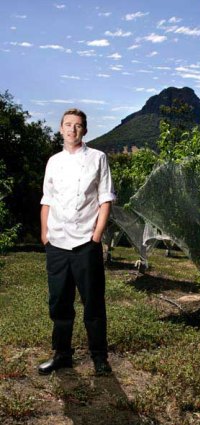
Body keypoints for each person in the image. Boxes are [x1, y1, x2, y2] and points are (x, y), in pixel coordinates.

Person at [38, 108, 116, 376]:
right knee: (59, 302)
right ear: (61, 129)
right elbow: (47, 199)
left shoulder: (98, 158)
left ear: (85, 130)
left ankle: (99, 357)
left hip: (85, 243)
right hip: (57, 243)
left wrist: (96, 236)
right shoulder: (53, 161)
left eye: (78, 125)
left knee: (93, 303)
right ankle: (62, 354)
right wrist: (44, 233)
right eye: (68, 125)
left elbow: (105, 198)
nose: (72, 129)